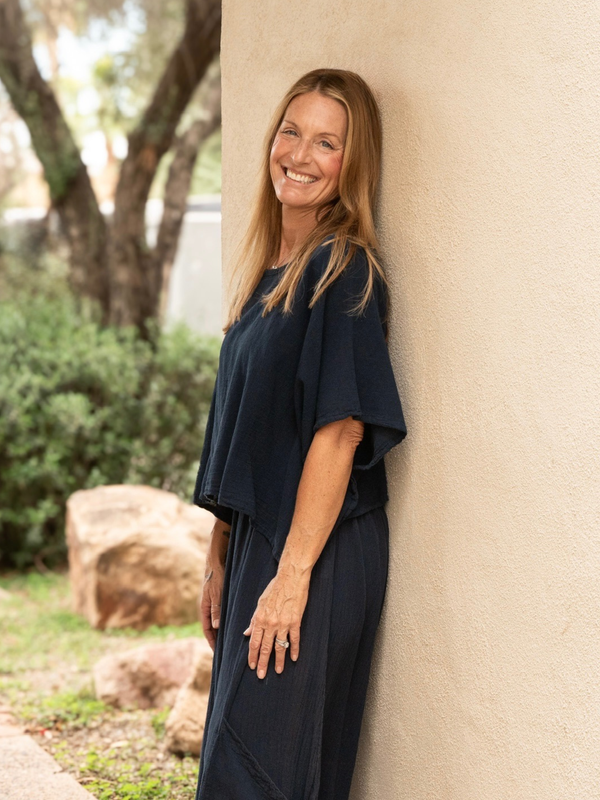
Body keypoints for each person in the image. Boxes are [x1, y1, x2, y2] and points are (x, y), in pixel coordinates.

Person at [192, 67, 407, 800]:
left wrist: (291, 577)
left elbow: (342, 430)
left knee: (259, 775)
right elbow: (245, 433)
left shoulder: (342, 270)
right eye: (291, 131)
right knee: (241, 764)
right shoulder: (270, 275)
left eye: (327, 142)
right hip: (264, 545)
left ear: (354, 165)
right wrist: (220, 555)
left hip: (314, 552)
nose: (300, 154)